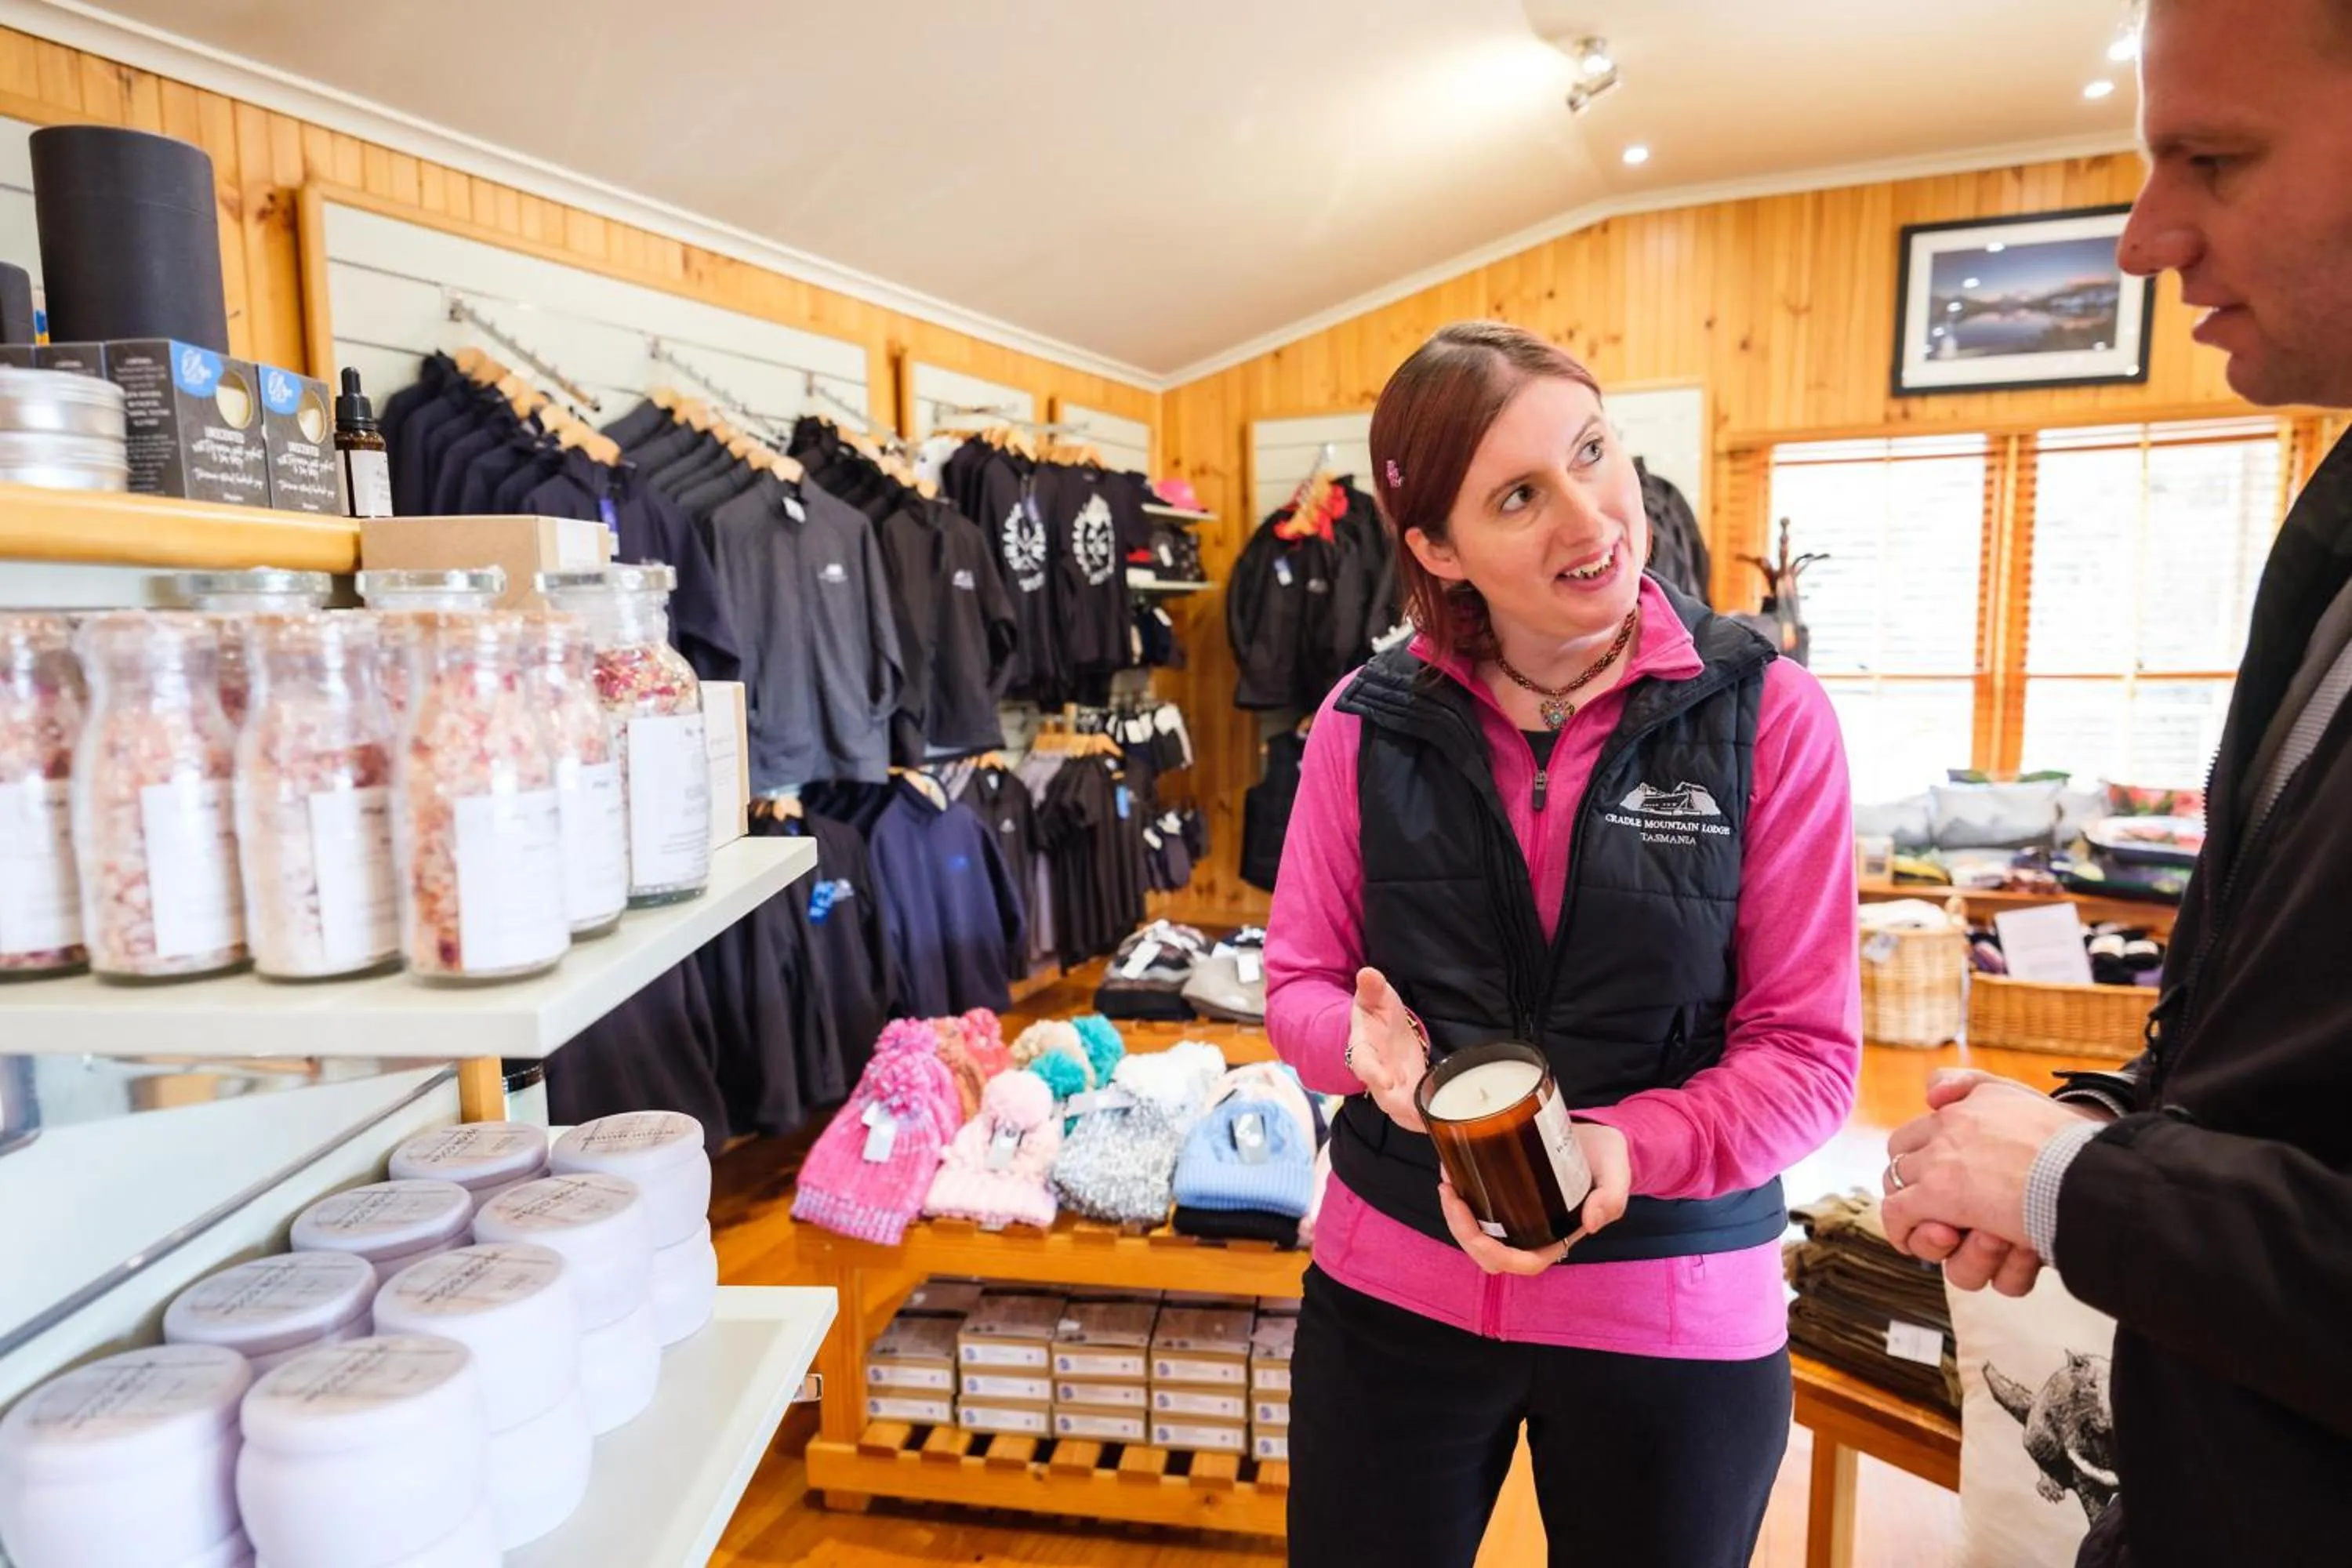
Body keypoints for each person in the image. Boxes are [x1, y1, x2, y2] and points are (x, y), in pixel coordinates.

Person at [1264, 321, 1860, 1568]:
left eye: (1594, 455)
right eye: (1520, 496)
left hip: (1675, 1312)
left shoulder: (1768, 715)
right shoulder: (1360, 725)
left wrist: (1621, 1146)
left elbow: (1807, 1059)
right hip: (1392, 1294)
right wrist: (1360, 1055)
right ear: (1436, 546)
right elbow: (1301, 989)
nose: (1590, 521)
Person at [1878, 2, 2352, 1562]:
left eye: (2212, 157)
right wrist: (2096, 1122)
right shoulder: (2332, 540)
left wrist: (2092, 1183)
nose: (2144, 240)